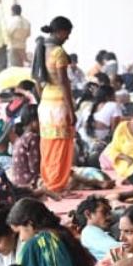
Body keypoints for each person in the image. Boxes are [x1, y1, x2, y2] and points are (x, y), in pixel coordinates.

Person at [34, 16, 77, 193]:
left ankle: (48, 180)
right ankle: (56, 184)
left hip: (45, 102)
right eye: (67, 33)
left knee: (48, 144)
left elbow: (36, 79)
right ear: (60, 32)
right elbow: (64, 82)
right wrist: (71, 109)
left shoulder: (42, 48)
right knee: (61, 145)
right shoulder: (58, 52)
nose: (68, 37)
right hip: (59, 104)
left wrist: (41, 98)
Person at [73, 196, 118, 261]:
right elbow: (119, 250)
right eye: (104, 212)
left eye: (109, 213)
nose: (109, 217)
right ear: (88, 214)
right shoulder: (90, 232)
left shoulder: (93, 232)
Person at [5, 4, 32, 68]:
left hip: (13, 47)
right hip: (23, 47)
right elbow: (29, 34)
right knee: (21, 67)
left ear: (13, 11)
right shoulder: (27, 22)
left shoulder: (12, 21)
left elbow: (8, 33)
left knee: (14, 68)